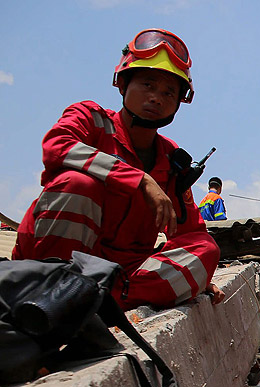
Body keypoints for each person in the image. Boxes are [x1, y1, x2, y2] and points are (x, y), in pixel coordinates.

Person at [12, 29, 222, 310]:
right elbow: (56, 146)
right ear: (123, 84)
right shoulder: (90, 119)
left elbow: (188, 232)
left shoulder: (171, 160)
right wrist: (139, 180)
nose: (156, 98)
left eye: (168, 92)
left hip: (119, 277)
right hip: (51, 266)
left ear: (178, 103)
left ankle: (97, 303)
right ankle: (52, 297)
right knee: (78, 184)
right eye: (148, 85)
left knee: (206, 248)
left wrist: (199, 274)